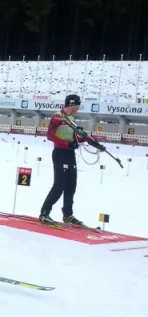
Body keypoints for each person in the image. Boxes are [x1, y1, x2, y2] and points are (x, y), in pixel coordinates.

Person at [39, 94, 98, 226]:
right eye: (78, 105)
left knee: (71, 185)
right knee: (59, 185)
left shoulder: (71, 119)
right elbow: (50, 135)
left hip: (70, 154)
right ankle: (44, 213)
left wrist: (90, 140)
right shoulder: (57, 117)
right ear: (73, 104)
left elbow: (74, 138)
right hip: (60, 153)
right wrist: (66, 144)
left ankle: (68, 215)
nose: (79, 107)